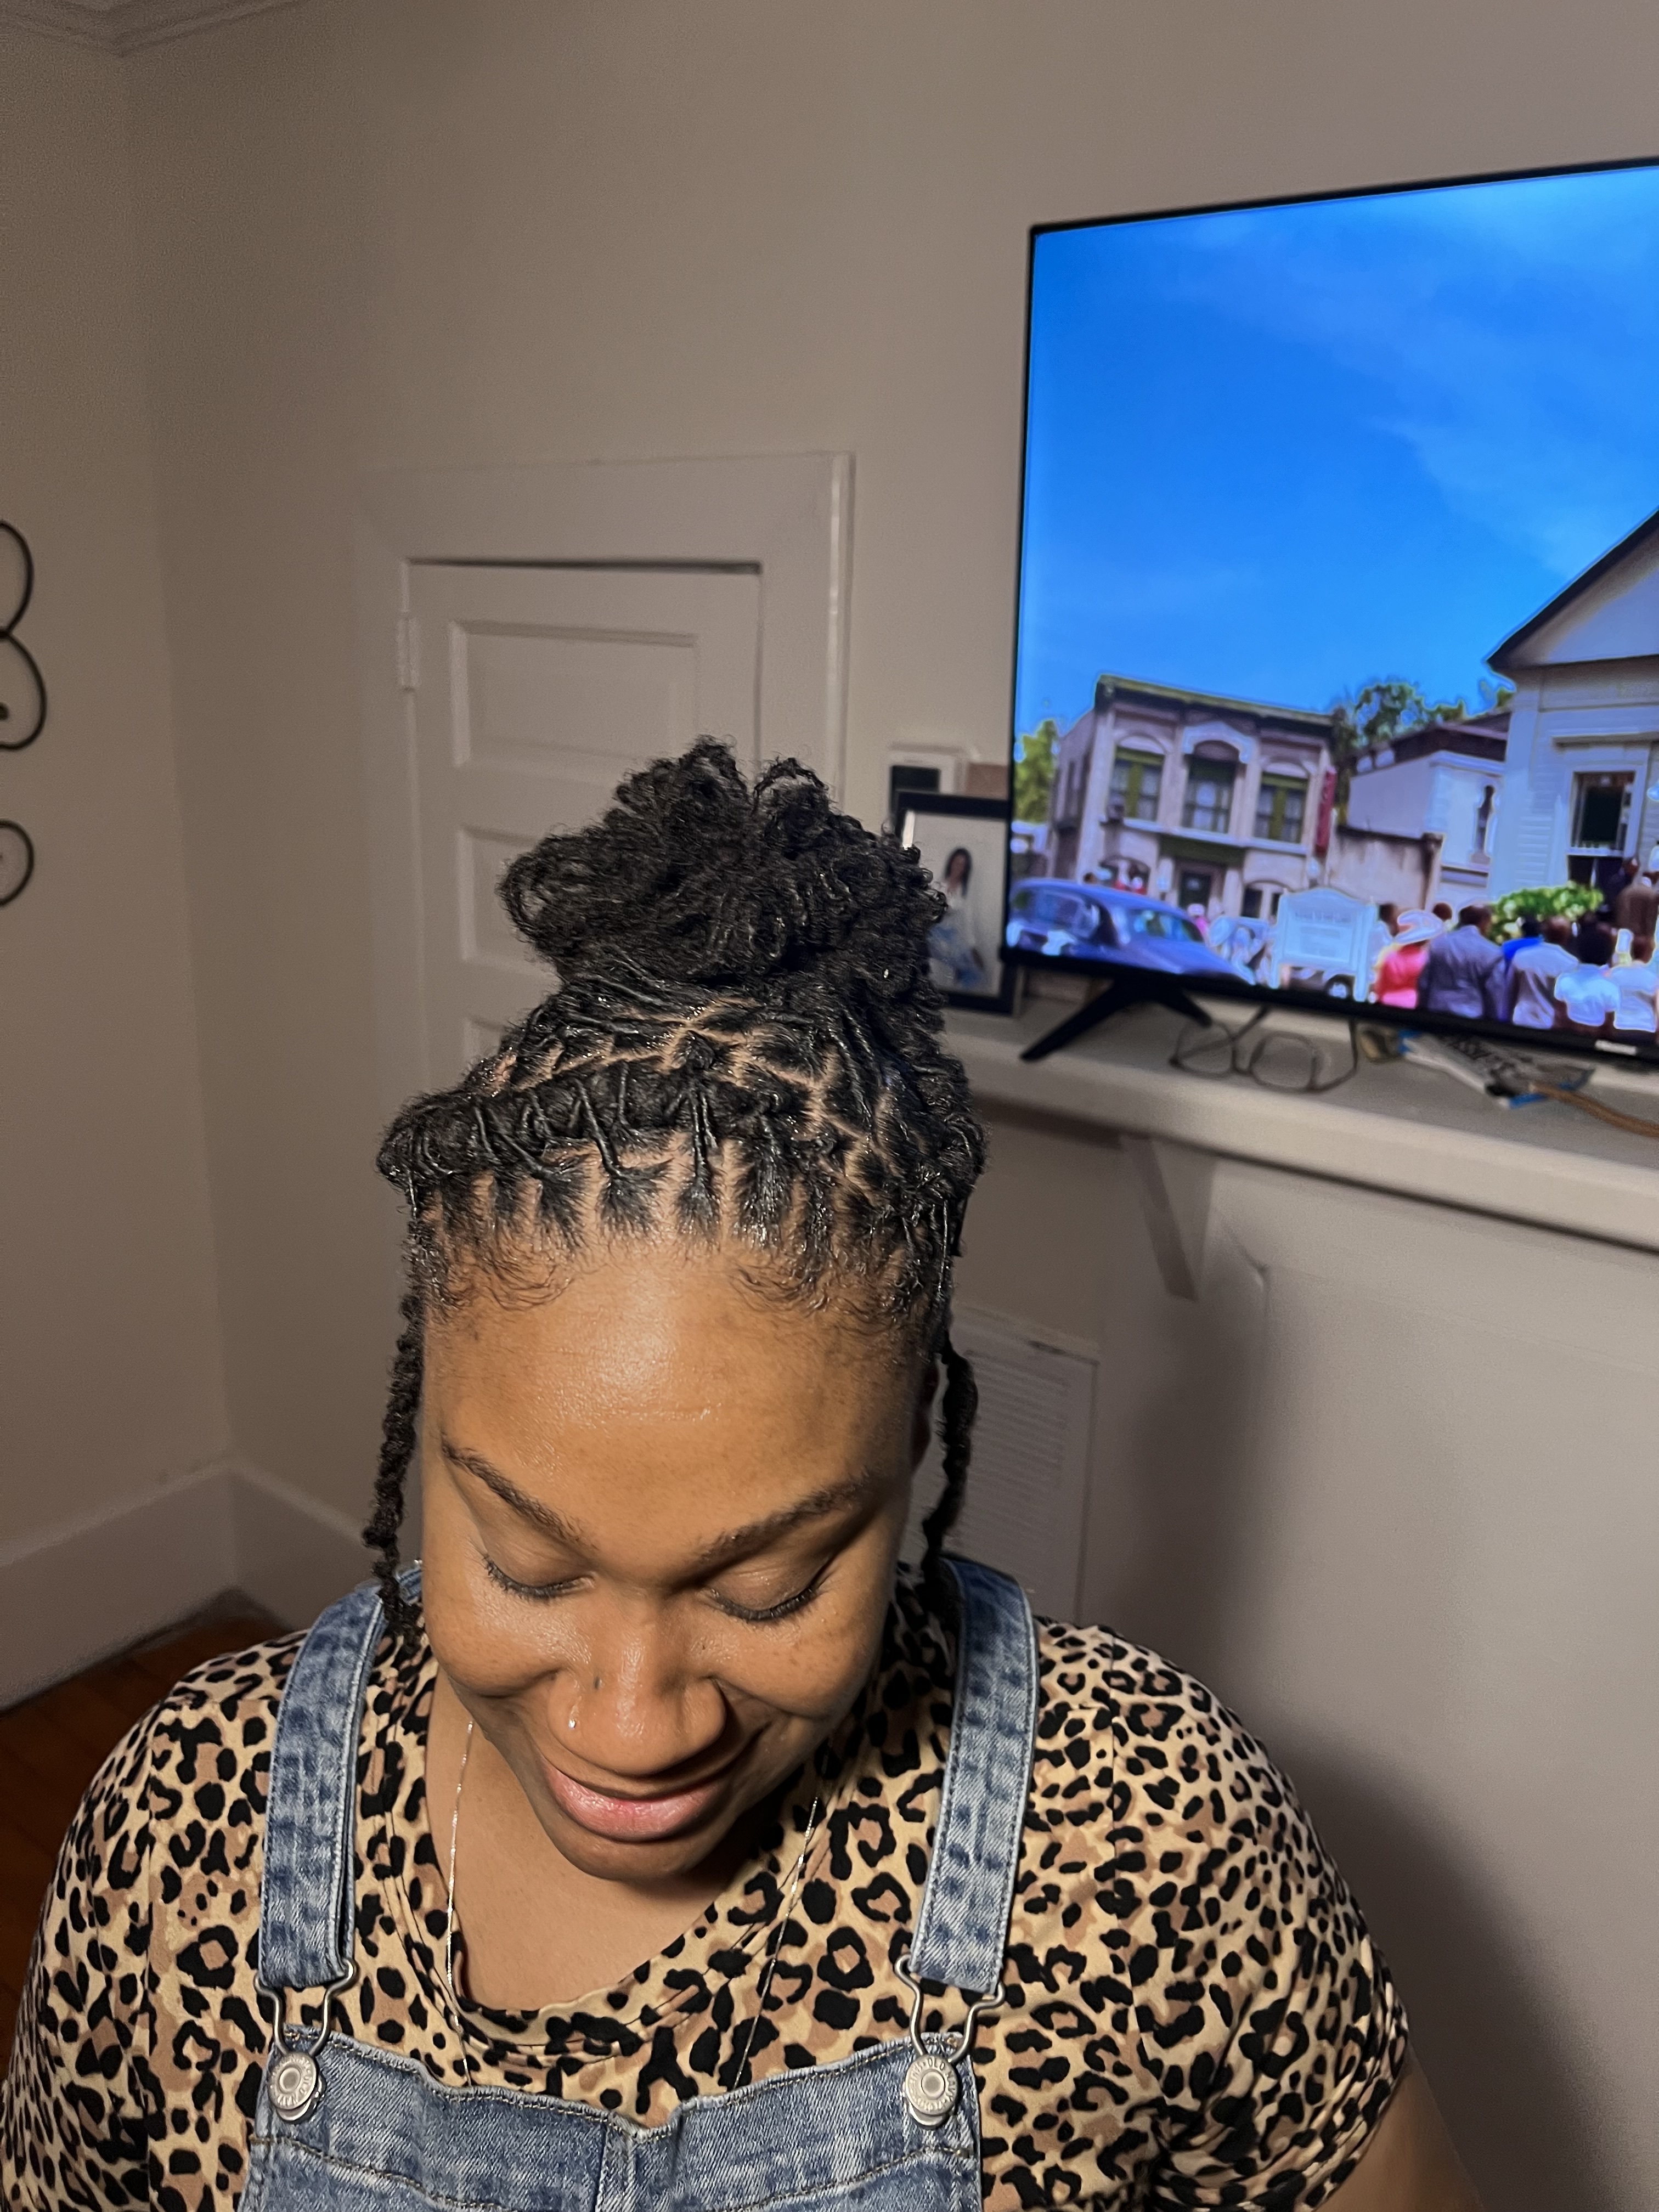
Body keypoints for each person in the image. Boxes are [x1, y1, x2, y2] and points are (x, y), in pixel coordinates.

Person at [1, 745, 1480, 2210]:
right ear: (420, 1421)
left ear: (914, 1453)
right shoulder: (190, 1831)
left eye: (768, 1588)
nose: (632, 1729)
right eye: (525, 1563)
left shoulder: (1151, 1843)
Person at [1417, 902, 1506, 1022]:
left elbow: (1424, 983)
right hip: (1471, 1017)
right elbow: (1494, 992)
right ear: (1485, 922)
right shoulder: (1492, 952)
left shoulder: (1438, 944)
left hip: (1436, 1012)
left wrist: (1422, 1010)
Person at [926, 842, 987, 992]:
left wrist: (973, 948)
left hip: (952, 937)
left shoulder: (964, 894)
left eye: (963, 865)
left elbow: (968, 922)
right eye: (957, 862)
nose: (959, 867)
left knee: (973, 970)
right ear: (951, 863)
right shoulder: (938, 886)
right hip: (934, 935)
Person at [1505, 915, 1577, 1029]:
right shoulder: (1571, 964)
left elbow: (1510, 992)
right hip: (1550, 1026)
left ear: (1544, 931)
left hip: (1520, 1021)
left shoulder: (1521, 956)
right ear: (1568, 935)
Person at [1612, 860, 1659, 947]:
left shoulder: (1626, 891)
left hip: (1624, 934)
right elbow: (1651, 918)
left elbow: (1620, 911)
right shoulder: (1652, 896)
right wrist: (1650, 938)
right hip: (1641, 938)